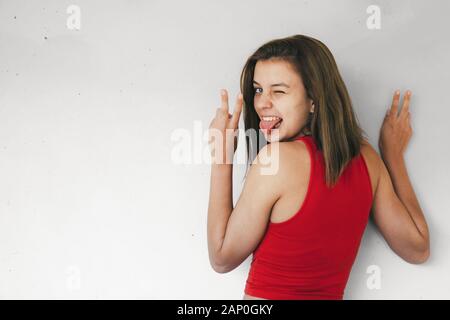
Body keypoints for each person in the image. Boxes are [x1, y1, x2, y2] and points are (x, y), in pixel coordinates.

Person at [206, 34, 430, 300]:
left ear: (314, 98)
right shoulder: (367, 159)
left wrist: (222, 158)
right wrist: (392, 156)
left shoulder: (276, 160)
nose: (262, 103)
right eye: (258, 90)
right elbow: (417, 248)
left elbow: (221, 258)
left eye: (278, 91)